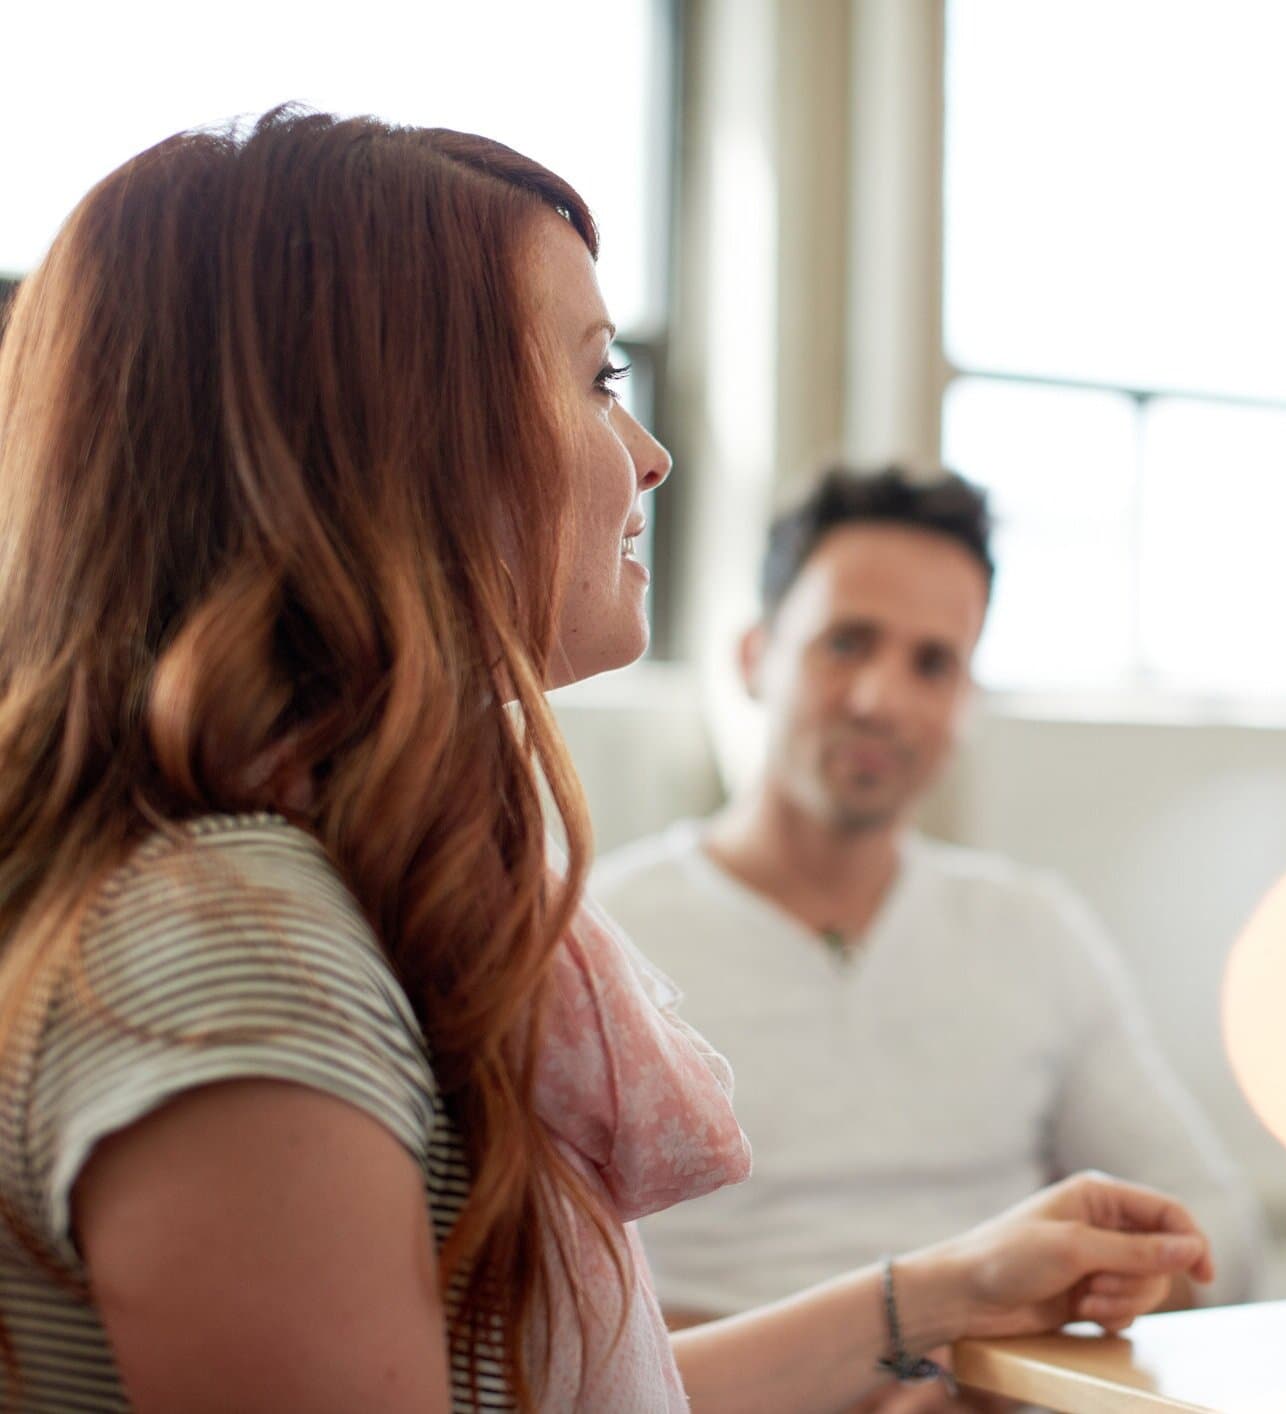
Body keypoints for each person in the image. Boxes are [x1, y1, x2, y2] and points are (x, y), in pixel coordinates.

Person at [0, 106, 1215, 1413]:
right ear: (399, 434)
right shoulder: (232, 950)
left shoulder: (311, 899)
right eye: (594, 380)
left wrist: (939, 1296)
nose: (651, 456)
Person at [592, 467, 1261, 1332]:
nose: (882, 701)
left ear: (965, 700)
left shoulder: (1031, 931)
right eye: (846, 643)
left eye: (933, 664)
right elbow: (530, 1291)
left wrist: (1066, 1315)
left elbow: (1219, 1232)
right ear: (755, 658)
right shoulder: (604, 933)